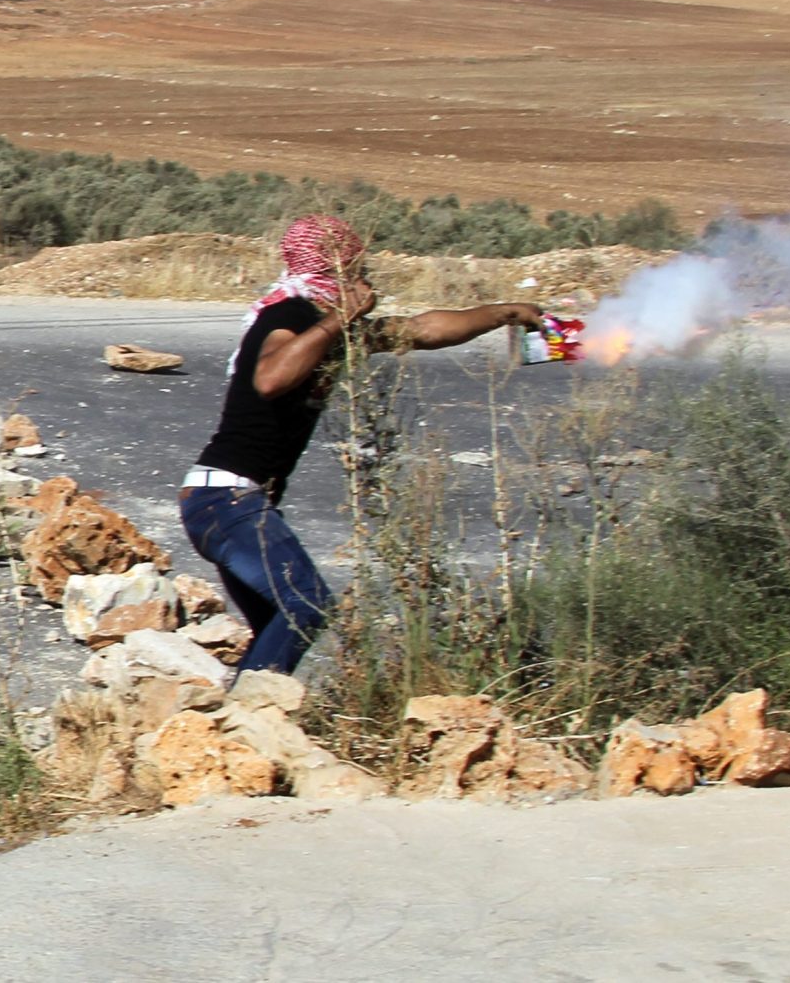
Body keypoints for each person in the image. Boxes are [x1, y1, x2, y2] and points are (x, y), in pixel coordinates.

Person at [180, 215, 543, 676]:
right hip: (227, 500)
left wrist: (504, 313)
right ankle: (246, 717)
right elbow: (271, 377)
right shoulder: (289, 315)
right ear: (331, 270)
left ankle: (240, 721)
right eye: (352, 269)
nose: (362, 278)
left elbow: (421, 331)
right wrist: (341, 317)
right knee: (306, 606)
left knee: (282, 619)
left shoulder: (328, 329)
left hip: (228, 503)